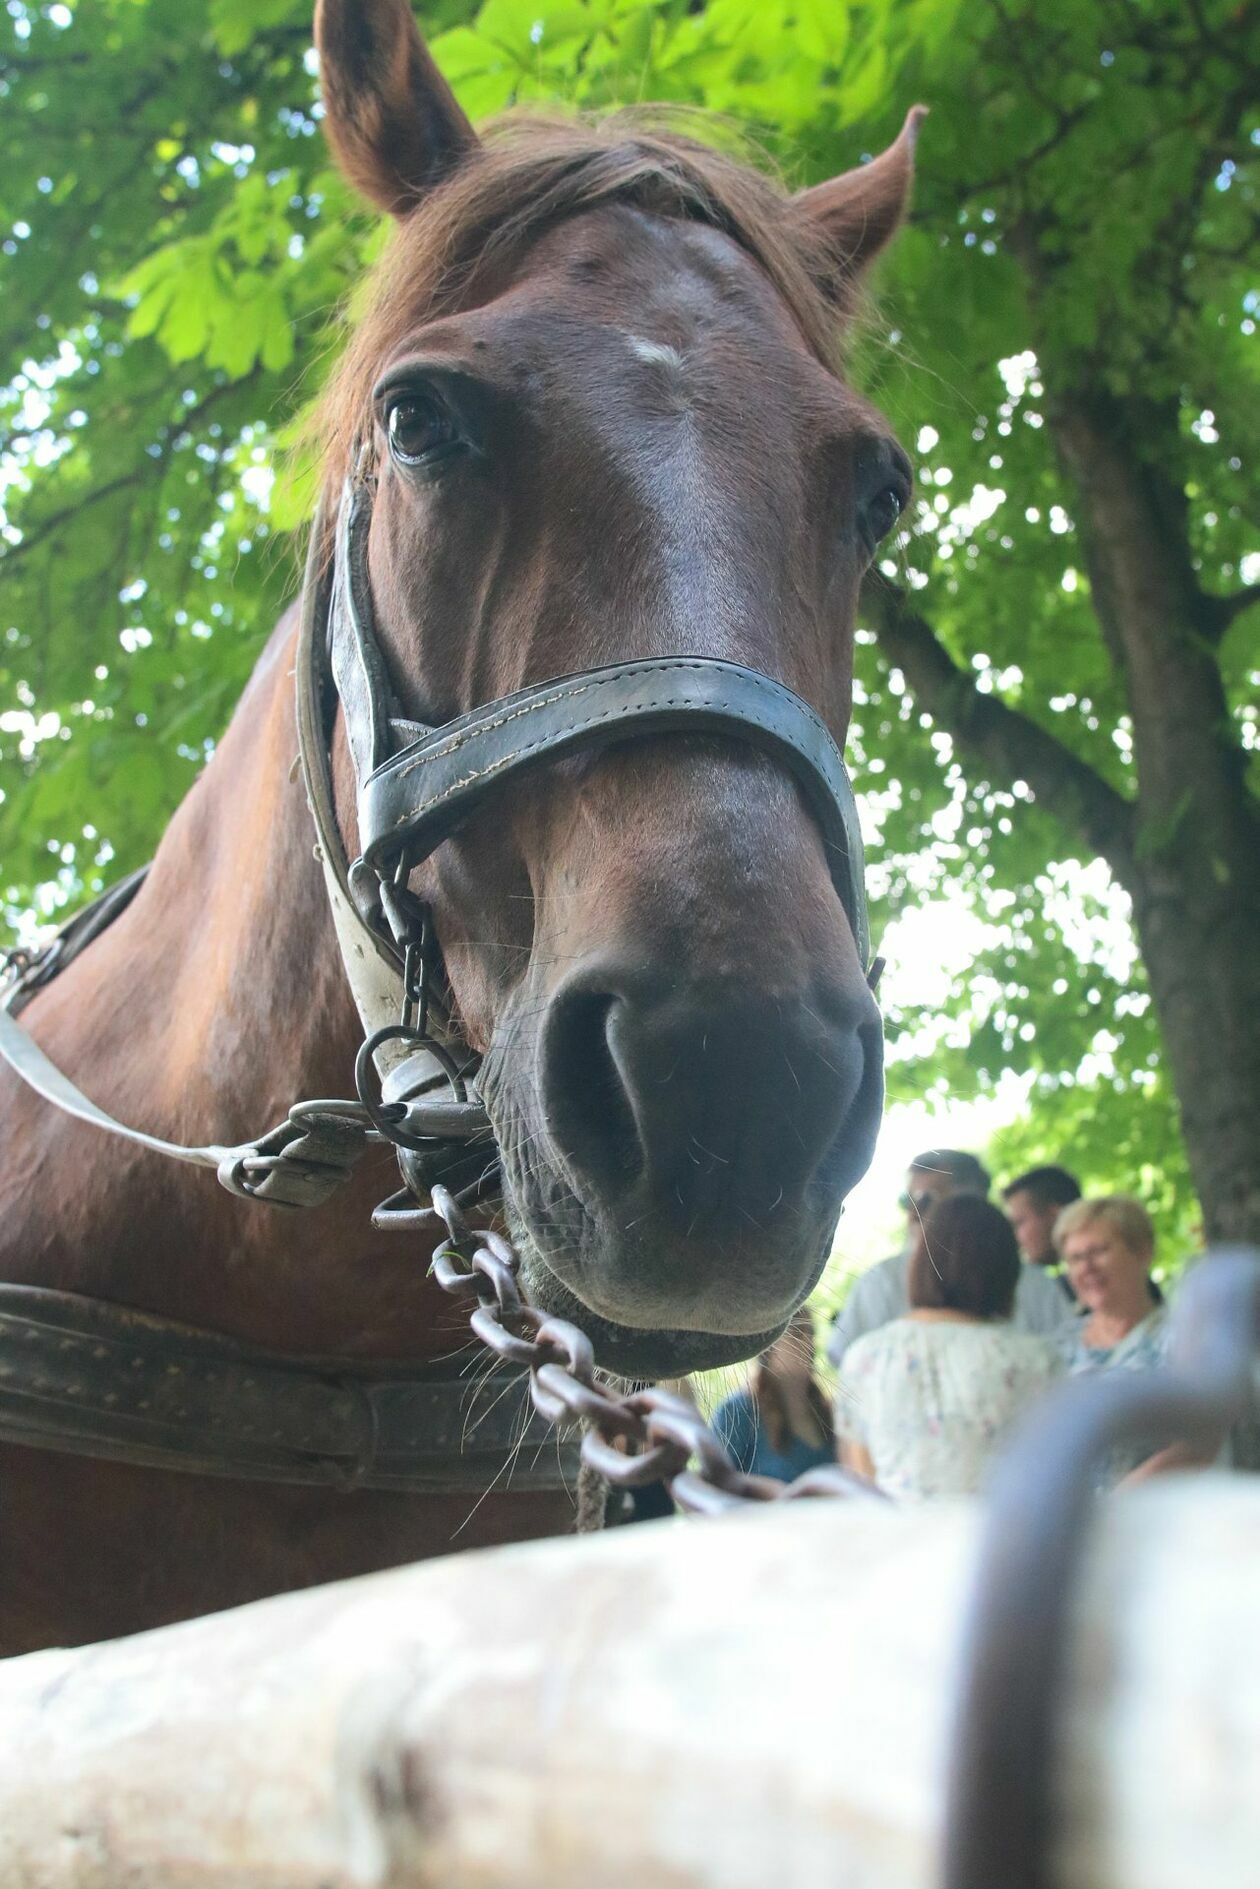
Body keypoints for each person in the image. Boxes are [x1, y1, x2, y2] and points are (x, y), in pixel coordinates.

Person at [834, 1195, 1063, 1500]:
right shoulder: (1035, 1360)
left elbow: (860, 1477)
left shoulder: (864, 1357)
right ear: (1006, 1269)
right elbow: (1055, 1474)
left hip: (896, 1541)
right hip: (999, 1542)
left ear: (921, 1261)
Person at [827, 1149, 1069, 1368]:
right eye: (906, 1201)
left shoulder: (1036, 1286)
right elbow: (844, 1359)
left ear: (972, 1202)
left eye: (925, 1200)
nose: (912, 1214)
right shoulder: (882, 1280)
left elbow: (1070, 1361)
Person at [1052, 1195, 1204, 1483]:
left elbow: (1200, 1441)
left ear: (1143, 1252)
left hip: (1158, 1513)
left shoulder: (1185, 1338)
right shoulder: (1058, 1345)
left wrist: (1115, 1505)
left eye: (1098, 1251)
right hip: (1067, 1518)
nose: (1086, 1267)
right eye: (1074, 1258)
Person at [713, 1306, 835, 1483]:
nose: (808, 1342)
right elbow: (716, 1487)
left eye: (811, 1333)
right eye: (797, 1333)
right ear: (768, 1342)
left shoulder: (828, 1412)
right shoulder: (738, 1413)